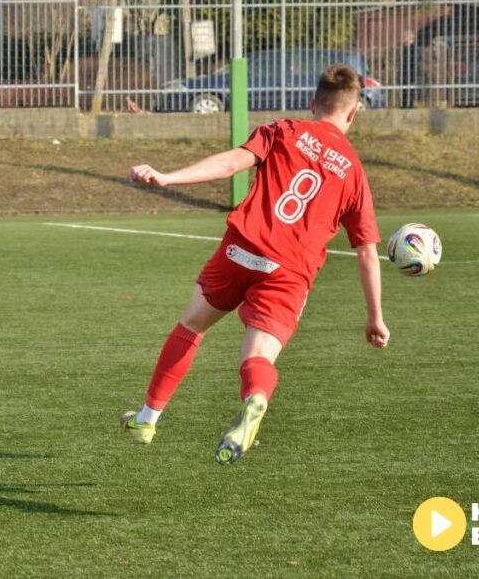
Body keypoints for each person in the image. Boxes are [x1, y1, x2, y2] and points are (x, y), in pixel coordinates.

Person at [123, 63, 389, 465]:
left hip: (241, 248)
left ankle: (147, 419)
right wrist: (375, 317)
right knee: (258, 358)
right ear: (353, 113)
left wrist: (167, 177)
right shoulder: (354, 172)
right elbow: (368, 251)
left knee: (192, 326)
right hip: (288, 271)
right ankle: (255, 399)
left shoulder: (284, 131)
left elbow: (231, 162)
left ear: (312, 102)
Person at [400, 30, 418, 108]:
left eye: (405, 38)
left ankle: (409, 104)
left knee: (410, 88)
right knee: (405, 88)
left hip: (411, 70)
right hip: (405, 70)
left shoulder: (413, 48)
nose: (404, 39)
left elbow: (413, 60)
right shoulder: (406, 48)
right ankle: (405, 104)